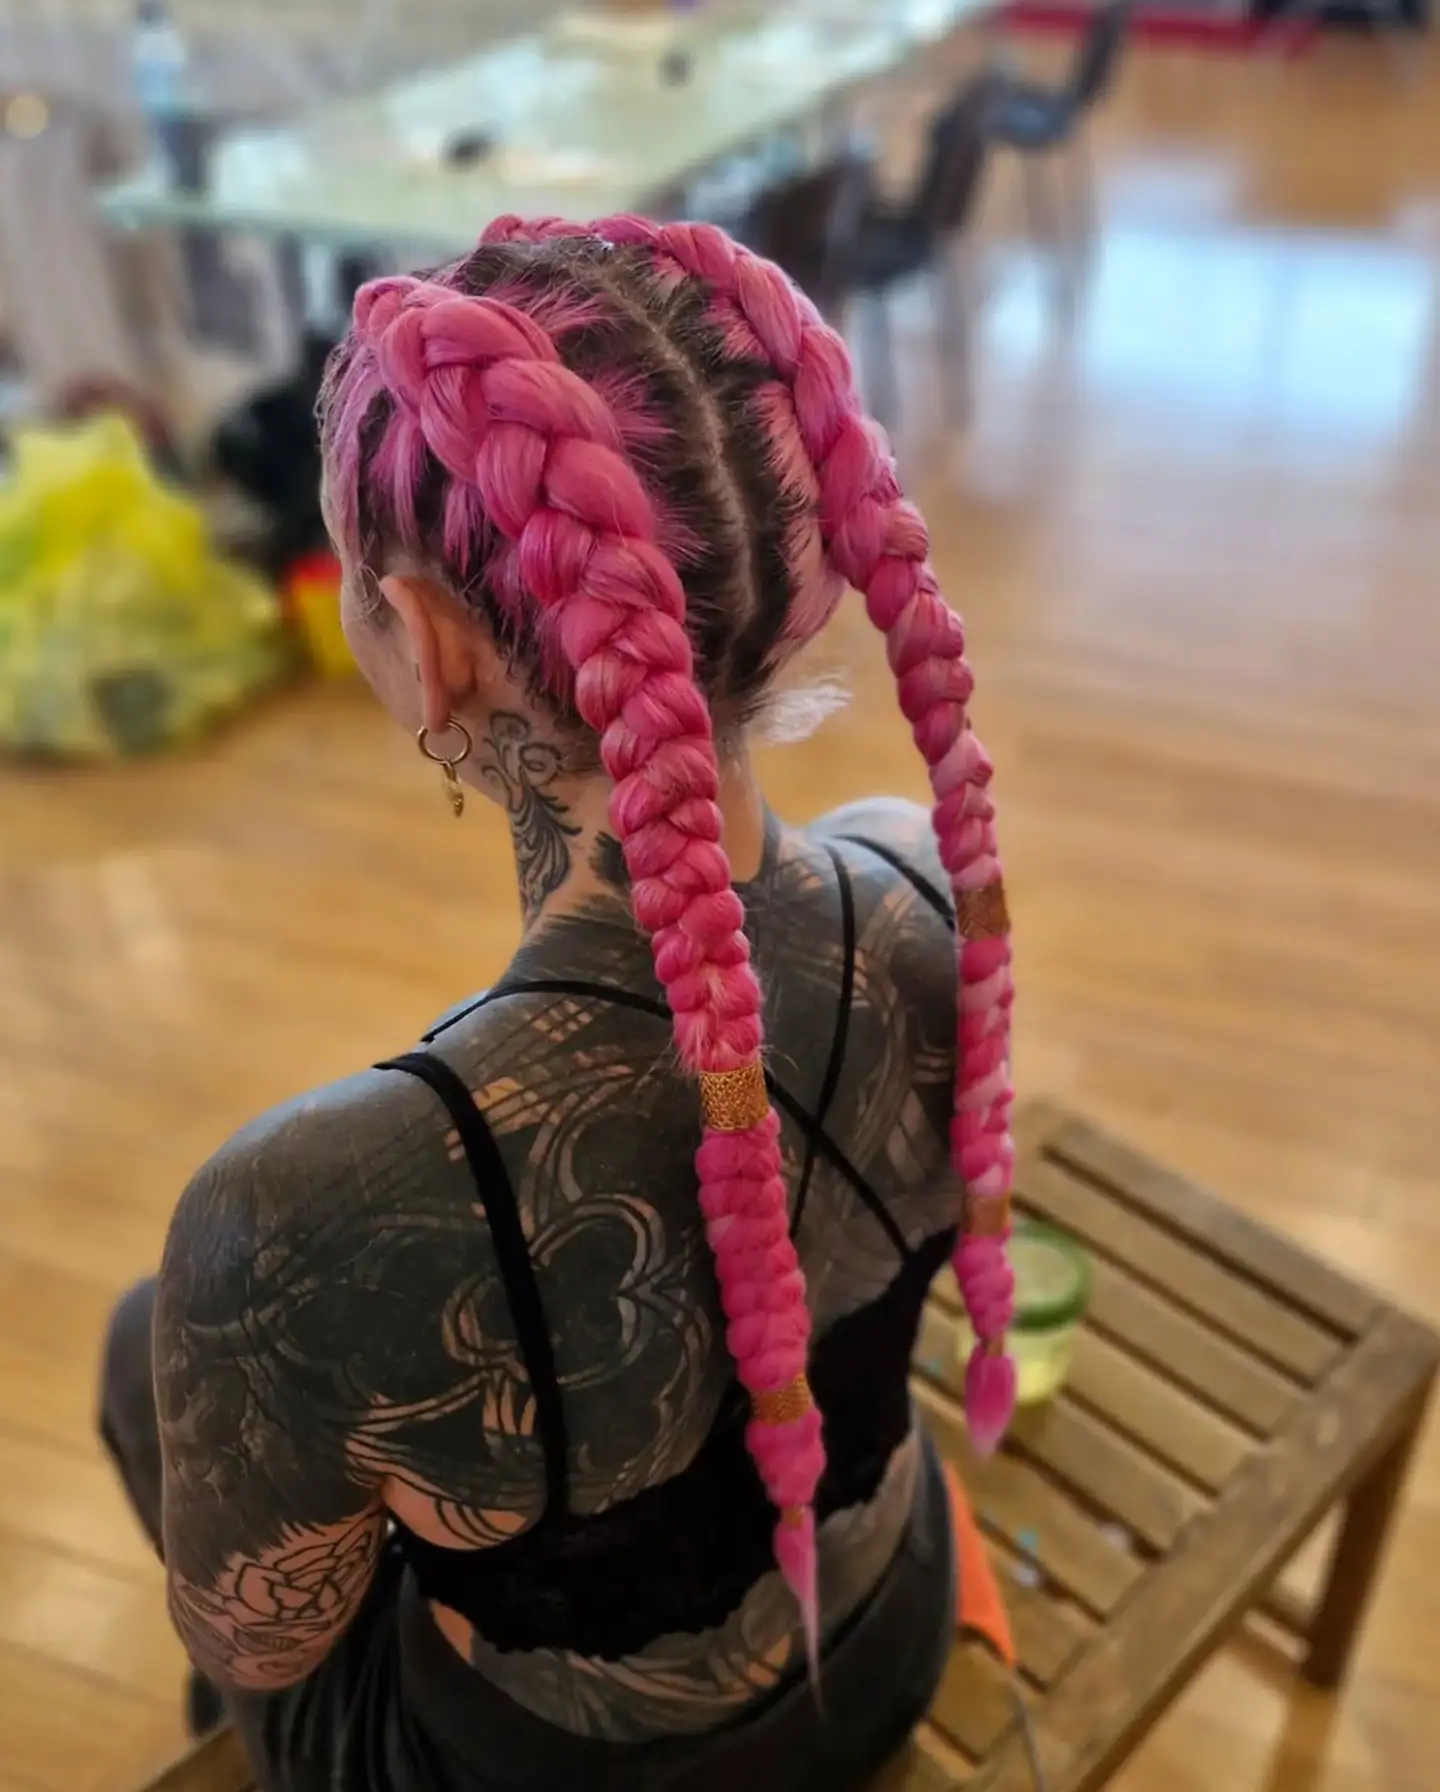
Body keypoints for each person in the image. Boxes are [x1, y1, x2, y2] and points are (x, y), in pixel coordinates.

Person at [98, 215, 1017, 1792]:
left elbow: (264, 1641)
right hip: (889, 1623)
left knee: (143, 1350)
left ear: (432, 645)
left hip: (576, 1769)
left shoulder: (306, 1213)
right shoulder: (930, 883)